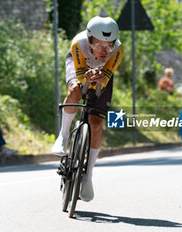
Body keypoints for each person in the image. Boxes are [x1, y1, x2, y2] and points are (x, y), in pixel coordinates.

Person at [52, 16, 124, 202]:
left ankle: (88, 175)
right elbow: (80, 78)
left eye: (109, 45)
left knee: (96, 122)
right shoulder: (79, 43)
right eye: (99, 45)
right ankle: (64, 135)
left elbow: (105, 78)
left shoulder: (118, 50)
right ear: (90, 39)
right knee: (75, 89)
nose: (104, 51)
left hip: (101, 75)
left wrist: (100, 77)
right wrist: (85, 76)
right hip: (79, 66)